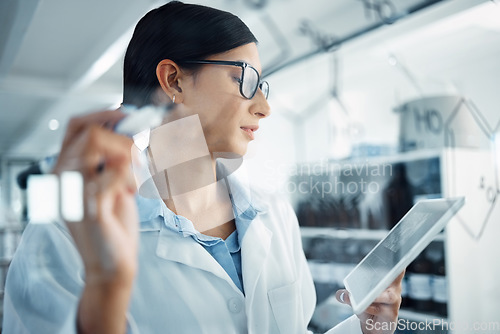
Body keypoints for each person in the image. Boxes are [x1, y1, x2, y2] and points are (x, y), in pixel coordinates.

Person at [3, 2, 403, 333]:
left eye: (263, 87)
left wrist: (366, 326)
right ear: (173, 81)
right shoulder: (63, 234)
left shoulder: (273, 213)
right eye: (244, 79)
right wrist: (107, 289)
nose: (263, 107)